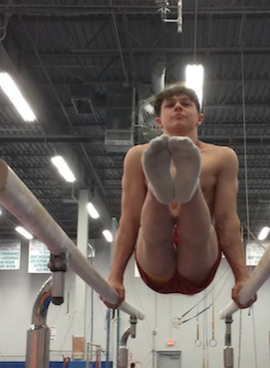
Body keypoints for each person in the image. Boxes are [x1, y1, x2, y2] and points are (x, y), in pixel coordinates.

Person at [103, 85, 255, 308]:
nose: (178, 107)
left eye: (185, 103)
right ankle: (162, 191)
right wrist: (114, 277)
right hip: (156, 258)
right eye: (170, 104)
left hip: (199, 255)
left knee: (199, 234)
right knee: (153, 234)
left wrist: (242, 276)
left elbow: (227, 220)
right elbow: (130, 221)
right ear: (159, 121)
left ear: (199, 118)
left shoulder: (223, 157)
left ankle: (187, 188)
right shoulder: (137, 156)